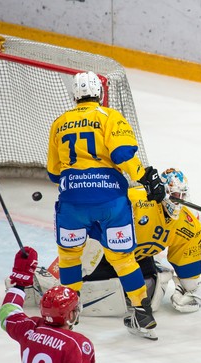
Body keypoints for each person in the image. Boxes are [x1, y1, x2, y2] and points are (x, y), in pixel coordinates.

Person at [46, 71, 166, 340]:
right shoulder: (110, 117)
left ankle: (67, 314)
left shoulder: (59, 123)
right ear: (99, 93)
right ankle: (142, 312)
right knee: (123, 258)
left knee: (69, 258)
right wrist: (145, 178)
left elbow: (54, 173)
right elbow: (123, 154)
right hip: (111, 201)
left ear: (75, 95)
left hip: (72, 203)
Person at [27, 168, 201, 317]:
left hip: (131, 259)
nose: (177, 200)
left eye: (180, 195)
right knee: (74, 287)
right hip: (102, 250)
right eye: (173, 195)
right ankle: (45, 283)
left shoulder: (187, 224)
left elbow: (188, 252)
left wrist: (191, 288)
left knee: (152, 294)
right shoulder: (135, 202)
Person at [0, 247, 95, 363]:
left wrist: (20, 281)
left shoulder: (29, 329)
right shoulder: (76, 344)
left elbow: (7, 313)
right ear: (69, 314)